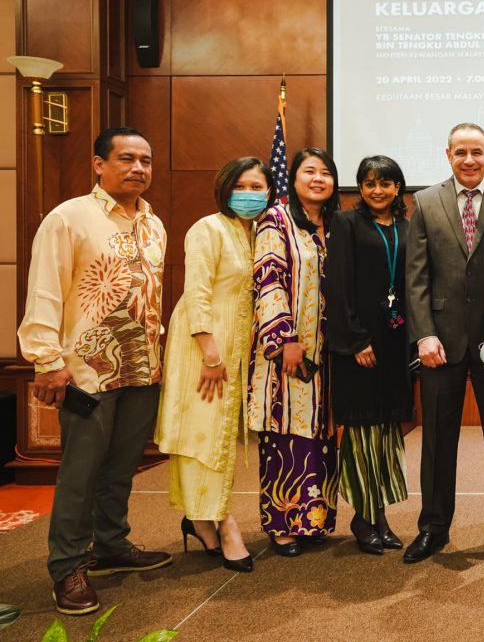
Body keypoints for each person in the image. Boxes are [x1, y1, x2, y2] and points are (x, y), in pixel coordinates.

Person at [18, 126, 171, 615]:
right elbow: (44, 291)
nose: (138, 168)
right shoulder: (69, 218)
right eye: (126, 158)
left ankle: (111, 544)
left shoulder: (153, 224)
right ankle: (67, 566)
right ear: (99, 164)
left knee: (122, 468)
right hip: (87, 372)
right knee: (80, 473)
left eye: (145, 160)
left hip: (142, 369)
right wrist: (47, 361)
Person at [404, 123, 484, 563]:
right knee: (438, 442)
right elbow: (416, 277)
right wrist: (423, 334)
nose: (469, 160)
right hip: (440, 343)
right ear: (448, 155)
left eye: (477, 151)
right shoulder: (425, 202)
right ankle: (433, 528)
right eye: (461, 152)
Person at [154, 157, 276, 574]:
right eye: (241, 185)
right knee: (203, 435)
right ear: (225, 188)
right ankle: (223, 525)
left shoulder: (259, 233)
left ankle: (201, 518)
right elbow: (197, 293)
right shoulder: (207, 229)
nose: (249, 194)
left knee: (220, 435)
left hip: (237, 351)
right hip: (203, 347)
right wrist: (209, 353)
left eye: (257, 187)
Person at [247, 147, 340, 557]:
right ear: (294, 178)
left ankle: (313, 521)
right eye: (309, 171)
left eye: (326, 173)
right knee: (286, 432)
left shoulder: (334, 225)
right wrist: (284, 338)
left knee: (320, 434)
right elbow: (268, 279)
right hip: (289, 350)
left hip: (328, 351)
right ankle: (281, 524)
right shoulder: (276, 219)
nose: (318, 179)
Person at [328, 155, 416, 556]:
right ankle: (362, 517)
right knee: (362, 433)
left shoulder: (407, 227)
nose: (377, 190)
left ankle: (379, 515)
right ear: (360, 189)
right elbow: (339, 286)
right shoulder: (346, 223)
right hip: (360, 344)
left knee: (385, 432)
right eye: (369, 183)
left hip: (395, 342)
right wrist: (356, 340)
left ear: (398, 188)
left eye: (385, 183)